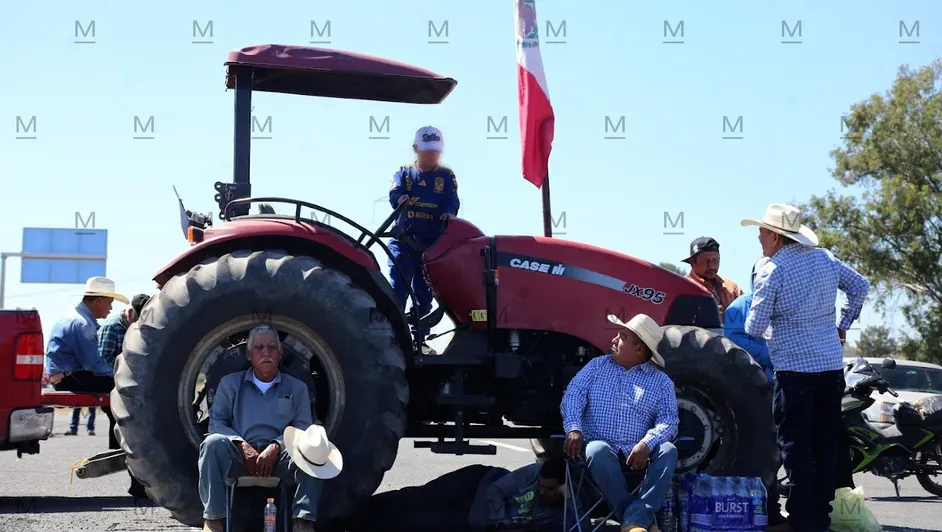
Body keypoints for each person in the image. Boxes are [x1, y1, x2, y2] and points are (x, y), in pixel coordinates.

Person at [742, 203, 869, 532]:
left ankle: (802, 519)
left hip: (795, 371)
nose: (758, 238)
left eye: (761, 232)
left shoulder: (772, 269)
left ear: (774, 236)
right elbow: (860, 286)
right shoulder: (825, 258)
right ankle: (821, 517)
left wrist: (774, 329)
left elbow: (754, 326)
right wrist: (842, 325)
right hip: (829, 367)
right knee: (825, 443)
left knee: (795, 445)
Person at [198, 324, 334, 532]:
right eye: (259, 348)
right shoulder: (230, 384)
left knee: (315, 447)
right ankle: (214, 521)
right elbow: (217, 423)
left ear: (280, 354)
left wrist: (276, 445)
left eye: (271, 348)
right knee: (212, 443)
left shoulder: (297, 388)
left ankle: (303, 522)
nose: (266, 353)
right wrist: (242, 445)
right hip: (238, 456)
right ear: (249, 354)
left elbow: (303, 426)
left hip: (282, 459)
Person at [560, 313, 679, 532]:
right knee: (597, 449)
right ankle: (638, 521)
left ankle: (635, 520)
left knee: (668, 450)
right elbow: (573, 394)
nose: (613, 340)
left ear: (639, 350)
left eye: (622, 336)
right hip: (599, 454)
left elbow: (669, 421)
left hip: (637, 457)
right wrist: (574, 428)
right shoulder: (597, 367)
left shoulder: (661, 382)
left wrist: (647, 443)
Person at [346, 458, 572, 532]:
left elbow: (579, 524)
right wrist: (502, 520)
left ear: (564, 487)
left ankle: (355, 524)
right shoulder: (532, 473)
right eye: (542, 486)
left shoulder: (564, 510)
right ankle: (349, 513)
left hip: (471, 518)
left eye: (550, 489)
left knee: (414, 522)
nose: (543, 491)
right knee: (416, 498)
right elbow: (496, 490)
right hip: (475, 484)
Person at [387, 125, 459, 347]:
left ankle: (420, 339)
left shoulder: (446, 176)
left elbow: (452, 200)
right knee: (396, 291)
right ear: (416, 148)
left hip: (430, 246)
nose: (431, 156)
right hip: (404, 242)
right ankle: (393, 338)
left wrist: (449, 213)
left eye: (435, 152)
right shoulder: (404, 172)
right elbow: (394, 192)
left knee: (425, 296)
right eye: (426, 151)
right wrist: (400, 199)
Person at [44, 276, 127, 453]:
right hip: (71, 378)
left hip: (64, 376)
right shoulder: (83, 325)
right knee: (125, 389)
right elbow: (93, 365)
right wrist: (119, 374)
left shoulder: (73, 317)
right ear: (99, 301)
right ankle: (121, 448)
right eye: (109, 303)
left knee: (115, 401)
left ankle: (117, 447)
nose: (111, 308)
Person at [96, 292, 151, 497]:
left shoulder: (133, 328)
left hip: (127, 387)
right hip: (114, 386)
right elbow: (101, 363)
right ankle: (137, 484)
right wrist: (127, 374)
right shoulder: (112, 328)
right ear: (130, 313)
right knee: (130, 433)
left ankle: (139, 483)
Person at [723, 256, 775, 383]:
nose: (768, 281)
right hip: (751, 380)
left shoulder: (782, 305)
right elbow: (734, 340)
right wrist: (768, 355)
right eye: (763, 276)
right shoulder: (739, 306)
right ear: (754, 277)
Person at [682, 236, 743, 321]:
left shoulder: (732, 287)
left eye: (715, 261)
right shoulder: (684, 287)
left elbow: (748, 313)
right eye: (705, 262)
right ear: (692, 263)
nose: (712, 266)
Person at [98, 293, 151, 369]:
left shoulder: (138, 327)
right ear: (129, 313)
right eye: (138, 320)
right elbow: (104, 361)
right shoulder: (112, 327)